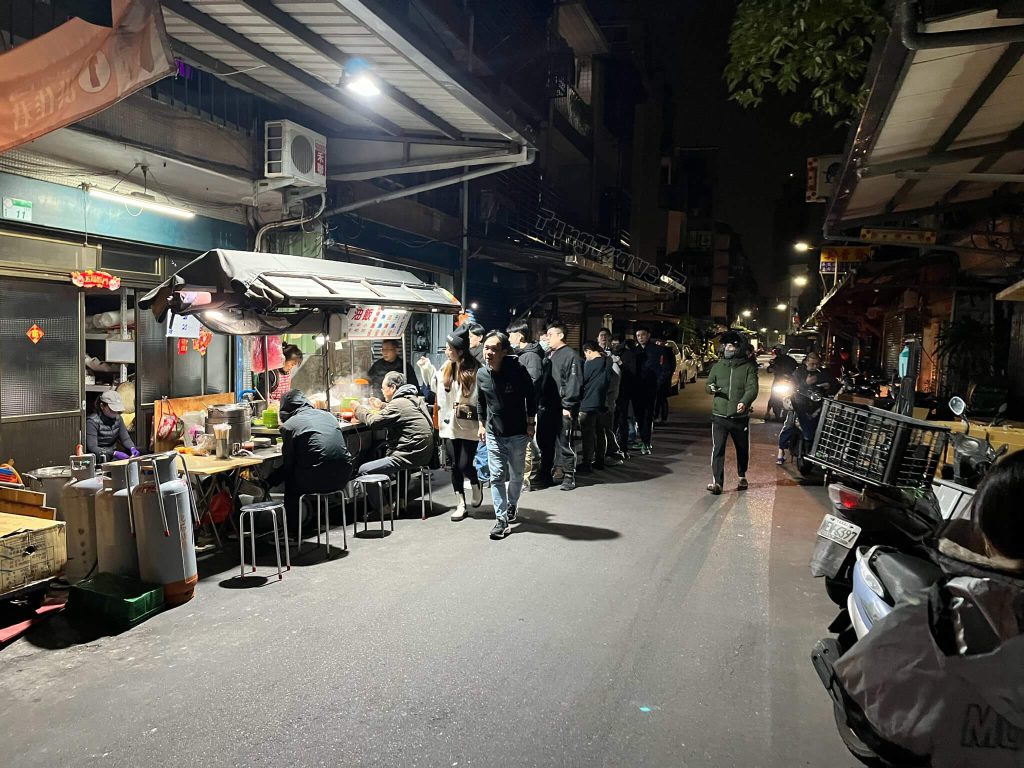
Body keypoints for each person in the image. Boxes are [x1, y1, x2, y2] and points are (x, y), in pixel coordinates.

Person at [476, 331, 537, 539]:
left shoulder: (517, 371)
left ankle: (512, 504)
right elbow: (481, 401)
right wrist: (481, 424)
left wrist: (531, 422)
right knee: (497, 476)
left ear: (503, 351)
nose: (489, 352)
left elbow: (532, 395)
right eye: (486, 348)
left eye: (494, 349)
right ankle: (501, 520)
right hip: (494, 432)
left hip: (518, 432)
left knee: (517, 475)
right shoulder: (482, 374)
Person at [266, 390, 353, 526]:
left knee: (291, 483)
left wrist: (271, 480)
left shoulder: (289, 426)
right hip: (344, 477)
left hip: (316, 480)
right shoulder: (328, 416)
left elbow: (289, 464)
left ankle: (292, 532)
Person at [354, 371, 435, 517]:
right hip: (424, 454)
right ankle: (402, 501)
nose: (382, 391)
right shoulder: (415, 399)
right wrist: (383, 405)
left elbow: (373, 422)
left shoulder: (398, 404)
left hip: (411, 455)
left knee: (364, 469)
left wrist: (357, 409)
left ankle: (383, 508)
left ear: (392, 388)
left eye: (383, 388)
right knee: (400, 464)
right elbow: (402, 411)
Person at [428, 326, 484, 521]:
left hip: (469, 425)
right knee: (453, 466)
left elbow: (482, 398)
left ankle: (475, 483)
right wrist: (427, 369)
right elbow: (435, 387)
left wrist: (484, 423)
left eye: (449, 348)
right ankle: (460, 504)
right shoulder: (446, 366)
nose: (446, 351)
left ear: (460, 350)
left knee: (464, 464)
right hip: (449, 424)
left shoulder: (476, 369)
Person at [704, 331, 759, 495]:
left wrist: (744, 402)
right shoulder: (718, 366)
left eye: (731, 346)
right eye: (726, 345)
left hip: (739, 418)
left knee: (742, 448)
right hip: (719, 415)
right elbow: (708, 385)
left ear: (738, 348)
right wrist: (711, 388)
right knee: (718, 448)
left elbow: (752, 388)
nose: (728, 348)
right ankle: (717, 483)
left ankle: (742, 475)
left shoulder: (748, 367)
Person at [507, 321, 548, 490]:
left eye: (511, 335)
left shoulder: (530, 356)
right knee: (524, 443)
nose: (509, 338)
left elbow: (533, 382)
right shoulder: (520, 354)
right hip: (518, 406)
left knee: (526, 444)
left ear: (520, 336)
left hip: (525, 407)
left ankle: (525, 479)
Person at [546, 321, 582, 491]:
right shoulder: (549, 354)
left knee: (565, 442)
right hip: (548, 405)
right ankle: (551, 471)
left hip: (563, 406)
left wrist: (567, 405)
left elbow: (574, 383)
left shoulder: (571, 355)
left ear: (560, 335)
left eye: (550, 334)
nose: (547, 338)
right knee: (547, 441)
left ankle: (569, 476)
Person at [579, 341, 610, 473]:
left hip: (588, 404)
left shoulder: (590, 364)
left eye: (586, 354)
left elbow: (581, 381)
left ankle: (586, 463)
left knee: (588, 435)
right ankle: (600, 460)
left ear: (588, 351)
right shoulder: (608, 362)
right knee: (600, 433)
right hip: (602, 403)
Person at [86, 390, 139, 463]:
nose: (115, 413)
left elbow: (125, 439)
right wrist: (114, 453)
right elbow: (92, 447)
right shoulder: (92, 421)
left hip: (113, 453)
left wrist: (132, 448)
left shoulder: (118, 418)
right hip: (99, 455)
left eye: (117, 410)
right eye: (112, 410)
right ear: (102, 406)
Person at [632, 328, 661, 454]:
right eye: (638, 335)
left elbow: (665, 368)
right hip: (636, 388)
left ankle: (646, 442)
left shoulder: (657, 350)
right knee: (638, 415)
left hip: (650, 387)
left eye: (643, 334)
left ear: (648, 335)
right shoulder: (635, 351)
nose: (640, 337)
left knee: (648, 416)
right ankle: (643, 440)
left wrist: (658, 383)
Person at [611, 334, 636, 458]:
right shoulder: (609, 353)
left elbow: (632, 373)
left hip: (623, 393)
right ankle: (612, 447)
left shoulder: (629, 355)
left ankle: (623, 447)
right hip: (611, 394)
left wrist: (620, 363)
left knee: (622, 420)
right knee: (612, 422)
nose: (615, 345)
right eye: (613, 343)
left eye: (617, 343)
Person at [766, 345, 798, 421]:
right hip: (778, 380)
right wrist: (770, 369)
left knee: (793, 395)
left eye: (778, 350)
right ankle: (767, 413)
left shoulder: (791, 360)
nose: (777, 351)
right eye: (776, 350)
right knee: (773, 396)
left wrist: (794, 375)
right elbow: (770, 368)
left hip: (789, 381)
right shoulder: (776, 359)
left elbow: (797, 369)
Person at [653, 336, 678, 423]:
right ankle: (655, 416)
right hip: (655, 380)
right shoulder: (655, 352)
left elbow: (671, 367)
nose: (658, 343)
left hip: (663, 380)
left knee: (662, 399)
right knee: (656, 399)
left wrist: (664, 378)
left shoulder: (668, 352)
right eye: (657, 342)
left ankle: (663, 417)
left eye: (660, 342)